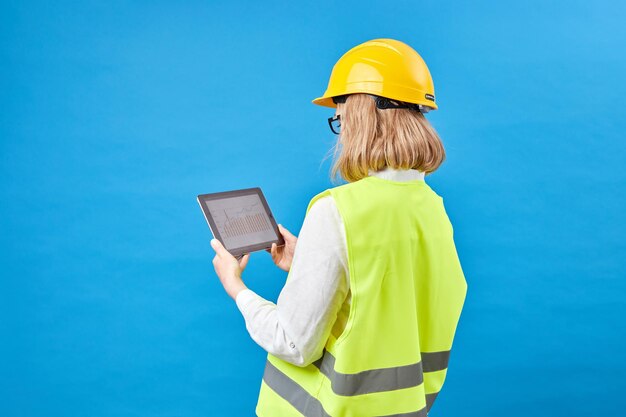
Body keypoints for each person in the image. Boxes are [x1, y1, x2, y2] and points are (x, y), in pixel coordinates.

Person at [210, 38, 468, 417]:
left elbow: (295, 343)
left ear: (364, 116)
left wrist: (237, 288)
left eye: (341, 117)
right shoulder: (433, 210)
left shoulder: (336, 210)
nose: (341, 130)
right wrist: (307, 262)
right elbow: (383, 299)